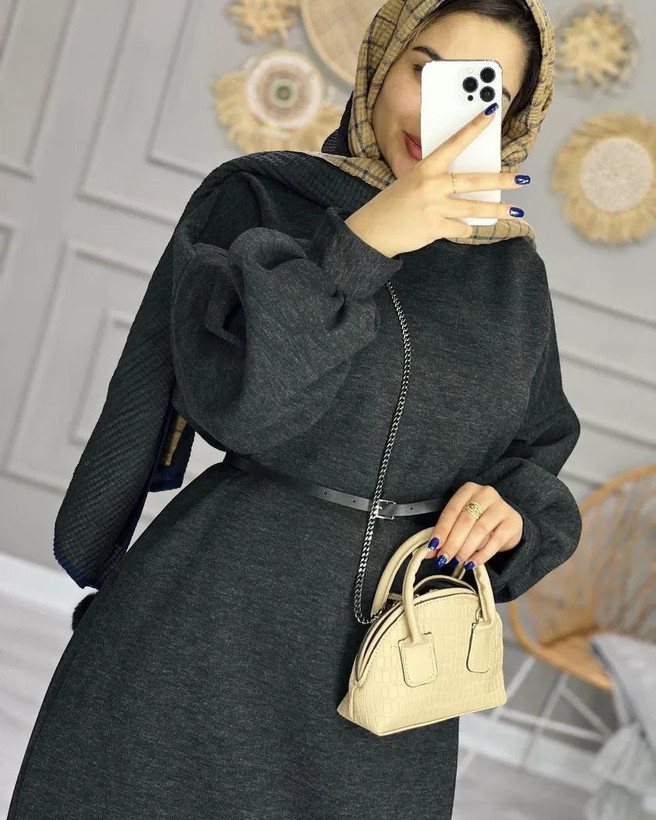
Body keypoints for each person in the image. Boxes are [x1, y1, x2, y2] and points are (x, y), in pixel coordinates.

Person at [7, 0, 582, 817]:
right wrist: (363, 244)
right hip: (205, 637)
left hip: (392, 681)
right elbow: (243, 411)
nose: (438, 111)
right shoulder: (262, 200)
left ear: (513, 119)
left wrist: (513, 513)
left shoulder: (511, 274)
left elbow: (539, 448)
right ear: (381, 63)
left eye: (478, 90)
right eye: (425, 71)